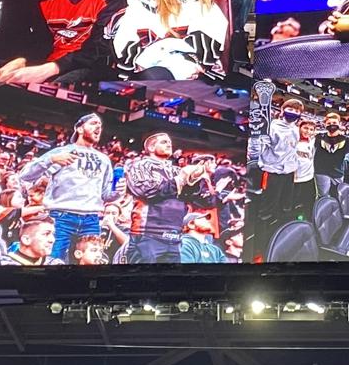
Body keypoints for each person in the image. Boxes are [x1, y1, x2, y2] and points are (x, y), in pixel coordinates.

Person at [15, 112, 117, 261]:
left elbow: (106, 195)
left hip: (92, 219)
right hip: (61, 217)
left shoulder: (104, 159)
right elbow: (25, 175)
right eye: (94, 123)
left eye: (100, 125)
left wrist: (118, 191)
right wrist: (51, 160)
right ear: (80, 129)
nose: (98, 127)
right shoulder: (61, 152)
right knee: (53, 262)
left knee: (91, 264)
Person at [111, 0, 229, 80]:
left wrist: (159, 51)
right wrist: (153, 58)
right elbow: (124, 46)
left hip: (193, 69)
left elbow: (210, 34)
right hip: (148, 71)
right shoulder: (132, 6)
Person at [121, 133, 220, 265]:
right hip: (148, 234)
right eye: (163, 142)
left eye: (169, 142)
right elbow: (148, 192)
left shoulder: (177, 170)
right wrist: (180, 180)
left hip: (175, 236)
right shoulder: (140, 165)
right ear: (151, 147)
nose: (169, 144)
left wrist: (195, 179)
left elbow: (194, 199)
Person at [252, 99, 307, 230]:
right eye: (291, 109)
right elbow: (257, 149)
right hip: (272, 171)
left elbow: (292, 148)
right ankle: (263, 233)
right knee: (269, 204)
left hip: (289, 172)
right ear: (282, 111)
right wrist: (257, 139)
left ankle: (282, 229)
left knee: (286, 203)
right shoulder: (271, 127)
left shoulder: (295, 129)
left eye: (297, 111)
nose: (294, 113)